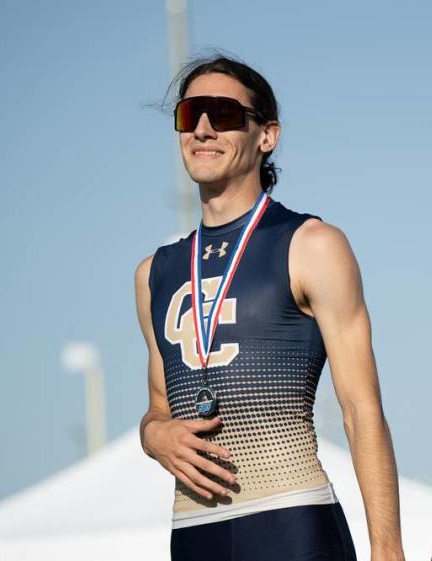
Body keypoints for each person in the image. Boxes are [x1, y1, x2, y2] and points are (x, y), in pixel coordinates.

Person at [134, 55, 404, 561]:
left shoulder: (312, 244)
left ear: (267, 135)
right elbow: (158, 407)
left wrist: (387, 549)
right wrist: (154, 435)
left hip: (291, 522)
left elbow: (361, 409)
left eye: (225, 114)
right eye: (191, 115)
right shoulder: (155, 273)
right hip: (195, 533)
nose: (205, 129)